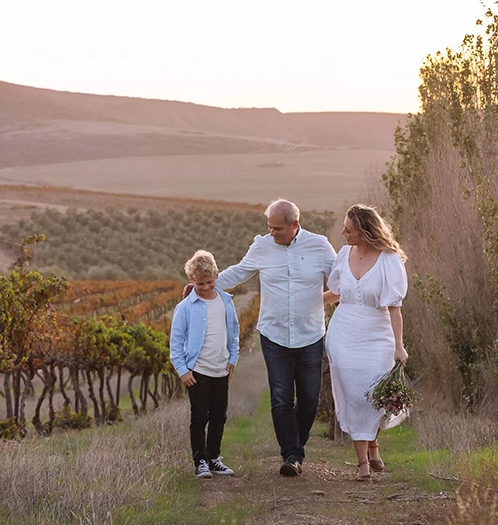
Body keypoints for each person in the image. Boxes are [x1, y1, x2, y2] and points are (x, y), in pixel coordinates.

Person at [212, 199, 337, 477]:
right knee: (281, 397)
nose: (272, 234)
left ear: (295, 225)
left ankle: (296, 447)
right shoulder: (262, 246)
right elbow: (239, 272)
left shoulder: (319, 246)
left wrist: (322, 300)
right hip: (274, 334)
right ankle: (291, 455)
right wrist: (206, 283)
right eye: (269, 228)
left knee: (309, 400)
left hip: (310, 335)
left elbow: (341, 280)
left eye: (278, 229)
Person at [323, 204, 409, 482]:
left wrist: (399, 346)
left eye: (348, 230)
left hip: (377, 336)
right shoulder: (344, 255)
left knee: (374, 396)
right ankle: (362, 463)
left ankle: (373, 444)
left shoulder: (389, 259)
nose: (343, 233)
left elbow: (395, 307)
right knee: (354, 395)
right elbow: (336, 293)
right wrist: (301, 301)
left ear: (364, 231)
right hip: (343, 335)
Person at [170, 250, 240, 479]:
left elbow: (234, 333)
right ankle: (200, 461)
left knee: (220, 415)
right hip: (197, 371)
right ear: (192, 281)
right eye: (200, 284)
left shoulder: (226, 302)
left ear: (217, 275)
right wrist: (182, 370)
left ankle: (214, 458)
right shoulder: (186, 307)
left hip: (221, 369)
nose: (206, 287)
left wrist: (232, 360)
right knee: (200, 416)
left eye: (210, 282)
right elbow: (176, 342)